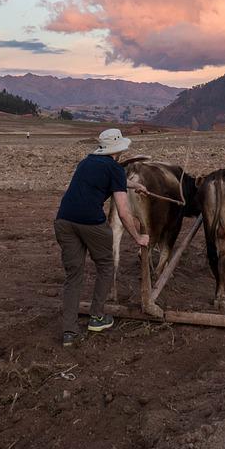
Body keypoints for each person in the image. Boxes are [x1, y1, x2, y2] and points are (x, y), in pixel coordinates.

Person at [55, 128, 148, 348]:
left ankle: (69, 331)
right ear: (119, 150)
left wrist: (135, 185)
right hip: (91, 224)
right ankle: (97, 317)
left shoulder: (86, 162)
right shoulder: (115, 168)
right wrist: (137, 237)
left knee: (73, 275)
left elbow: (107, 181)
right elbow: (124, 212)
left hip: (63, 222)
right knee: (106, 265)